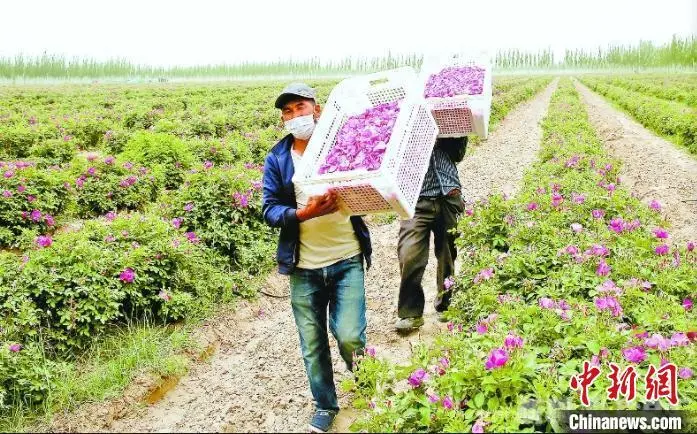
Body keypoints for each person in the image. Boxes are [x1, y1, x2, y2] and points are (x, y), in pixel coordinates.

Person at [261, 83, 373, 433]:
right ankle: (325, 405)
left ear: (317, 109)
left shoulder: (340, 145)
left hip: (346, 257)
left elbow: (370, 175)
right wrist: (304, 215)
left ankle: (368, 381)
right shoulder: (278, 159)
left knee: (350, 334)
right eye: (287, 111)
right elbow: (269, 210)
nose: (294, 115)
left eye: (300, 107)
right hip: (304, 266)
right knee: (312, 343)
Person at [394, 136, 468, 332]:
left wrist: (449, 134)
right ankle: (410, 312)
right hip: (415, 199)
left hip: (449, 196)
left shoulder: (450, 119)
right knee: (409, 253)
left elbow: (458, 155)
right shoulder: (408, 122)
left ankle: (446, 304)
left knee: (447, 253)